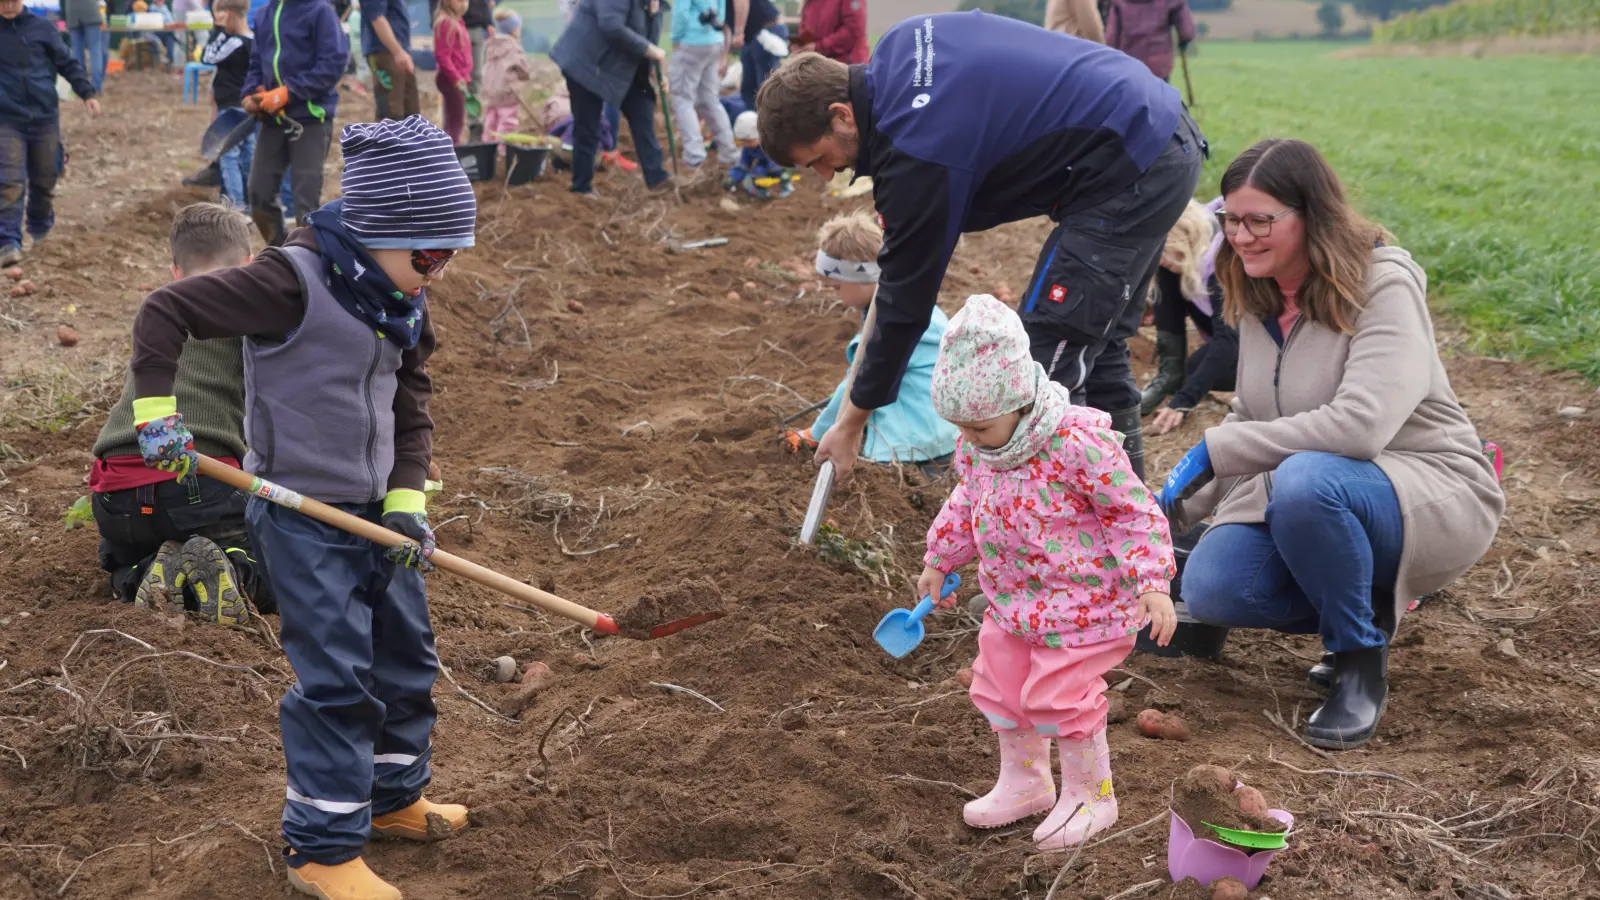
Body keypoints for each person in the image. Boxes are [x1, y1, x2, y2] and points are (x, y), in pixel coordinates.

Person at [128, 115, 476, 900]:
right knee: (338, 680)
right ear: (379, 229)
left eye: (451, 256)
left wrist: (407, 503)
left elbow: (409, 401)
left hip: (378, 515)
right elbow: (164, 313)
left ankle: (391, 801)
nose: (440, 271)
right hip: (300, 514)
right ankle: (321, 847)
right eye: (430, 254)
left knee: (405, 659)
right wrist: (156, 415)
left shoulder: (397, 294)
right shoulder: (290, 281)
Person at [1157, 139, 1505, 751]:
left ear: (1311, 214)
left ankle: (1357, 661)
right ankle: (1364, 602)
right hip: (1319, 490)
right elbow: (1250, 417)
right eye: (1230, 219)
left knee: (1307, 482)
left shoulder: (1382, 286)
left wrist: (1216, 449)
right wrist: (1168, 510)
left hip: (1426, 488)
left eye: (1259, 220)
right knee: (1214, 586)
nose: (1240, 236)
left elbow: (1359, 428)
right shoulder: (1259, 296)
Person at [756, 13, 1204, 483]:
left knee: (1043, 360)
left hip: (1132, 159)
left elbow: (904, 304)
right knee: (1097, 339)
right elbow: (896, 284)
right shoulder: (902, 46)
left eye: (822, 159)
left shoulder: (917, 148)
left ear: (841, 115)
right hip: (1152, 127)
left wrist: (851, 424)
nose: (829, 175)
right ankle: (1127, 522)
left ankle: (1043, 529)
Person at [919, 293, 1176, 849]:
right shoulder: (980, 448)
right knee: (1001, 686)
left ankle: (1092, 794)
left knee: (1060, 695)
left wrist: (1152, 581)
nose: (969, 440)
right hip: (1013, 603)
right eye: (960, 429)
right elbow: (967, 500)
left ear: (1019, 400)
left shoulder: (1076, 444)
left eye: (979, 428)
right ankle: (1026, 782)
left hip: (1086, 606)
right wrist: (940, 557)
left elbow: (1132, 511)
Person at [92, 203, 268, 624]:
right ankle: (235, 568)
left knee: (118, 556)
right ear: (248, 264)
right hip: (201, 485)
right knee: (280, 569)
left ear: (175, 269)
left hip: (115, 493)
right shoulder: (253, 319)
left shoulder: (160, 319)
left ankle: (136, 574)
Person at [786, 212, 959, 465]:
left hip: (915, 444)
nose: (835, 296)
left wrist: (816, 433)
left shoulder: (887, 325)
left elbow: (855, 386)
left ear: (861, 278)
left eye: (837, 287)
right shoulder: (912, 304)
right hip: (946, 431)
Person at [0, 0, 101, 268]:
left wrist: (87, 93)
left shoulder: (42, 28)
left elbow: (66, 63)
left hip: (44, 116)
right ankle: (8, 241)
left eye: (13, 0)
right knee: (9, 181)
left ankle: (40, 229)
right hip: (6, 119)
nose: (8, 5)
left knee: (45, 178)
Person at [242, 0, 347, 245]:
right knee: (259, 191)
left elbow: (332, 64)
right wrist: (249, 94)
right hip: (273, 119)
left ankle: (308, 261)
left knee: (305, 201)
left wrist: (288, 93)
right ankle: (280, 253)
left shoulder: (320, 11)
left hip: (310, 118)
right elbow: (256, 63)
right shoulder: (264, 14)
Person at [549, 0, 671, 195]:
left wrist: (656, 73)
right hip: (587, 63)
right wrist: (650, 49)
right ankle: (582, 187)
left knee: (643, 113)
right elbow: (611, 26)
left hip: (618, 70)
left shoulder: (655, 6)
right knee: (588, 126)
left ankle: (657, 179)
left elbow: (647, 42)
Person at [1140, 197, 1239, 433]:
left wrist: (1183, 402)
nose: (1162, 260)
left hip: (1264, 344)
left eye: (1168, 252)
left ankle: (1265, 387)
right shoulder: (1187, 253)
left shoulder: (1222, 266)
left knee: (1198, 368)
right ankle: (1170, 373)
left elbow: (1228, 341)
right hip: (1226, 334)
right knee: (1169, 275)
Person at [669, 0, 736, 169]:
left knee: (682, 98)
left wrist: (676, 38)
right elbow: (720, 11)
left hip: (691, 41)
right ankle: (728, 152)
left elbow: (682, 14)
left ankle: (694, 155)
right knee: (709, 99)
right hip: (714, 40)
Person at [200, 0, 255, 208]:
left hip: (232, 104)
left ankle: (236, 205)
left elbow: (208, 56)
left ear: (228, 14)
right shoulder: (254, 39)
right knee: (249, 153)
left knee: (229, 155)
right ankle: (251, 203)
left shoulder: (234, 42)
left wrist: (218, 30)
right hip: (249, 105)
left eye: (218, 15)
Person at [1105, 0, 1195, 83]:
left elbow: (1111, 38)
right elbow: (1187, 32)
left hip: (1129, 64)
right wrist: (1184, 42)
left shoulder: (1119, 2)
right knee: (1159, 97)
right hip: (1159, 64)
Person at [362, 0, 419, 121]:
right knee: (391, 114)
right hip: (384, 52)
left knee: (411, 113)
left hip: (399, 51)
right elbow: (377, 18)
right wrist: (397, 52)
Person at [727, 0, 786, 113]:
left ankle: (770, 126)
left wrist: (739, 32)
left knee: (766, 89)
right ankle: (755, 124)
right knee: (749, 91)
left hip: (766, 30)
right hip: (750, 34)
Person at [480, 8, 530, 141]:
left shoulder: (491, 44)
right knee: (508, 121)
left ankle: (488, 146)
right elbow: (524, 70)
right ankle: (503, 148)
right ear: (514, 29)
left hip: (490, 90)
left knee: (491, 119)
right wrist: (524, 75)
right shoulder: (514, 47)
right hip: (507, 91)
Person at [724, 110, 792, 199]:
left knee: (780, 169)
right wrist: (733, 177)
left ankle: (787, 187)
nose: (746, 145)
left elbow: (786, 157)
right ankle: (762, 193)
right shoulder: (748, 148)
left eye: (749, 141)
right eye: (744, 142)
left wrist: (784, 172)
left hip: (781, 163)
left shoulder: (772, 142)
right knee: (757, 171)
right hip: (766, 165)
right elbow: (743, 164)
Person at [433, 0, 472, 144]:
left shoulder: (457, 21)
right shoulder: (446, 23)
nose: (464, 4)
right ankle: (452, 150)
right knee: (456, 122)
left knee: (452, 119)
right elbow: (442, 55)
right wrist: (456, 78)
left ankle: (449, 148)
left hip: (458, 77)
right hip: (451, 78)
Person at [793, 0, 867, 64]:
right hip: (818, 65)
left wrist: (818, 47)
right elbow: (805, 25)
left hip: (845, 68)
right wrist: (802, 45)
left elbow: (852, 30)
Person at [462, 0, 494, 141]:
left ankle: (473, 122)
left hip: (476, 28)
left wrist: (488, 23)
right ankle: (454, 127)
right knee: (455, 79)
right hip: (455, 24)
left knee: (476, 76)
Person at [63, 0, 109, 93]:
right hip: (91, 10)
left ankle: (80, 86)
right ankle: (96, 86)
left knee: (76, 51)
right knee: (95, 49)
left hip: (72, 11)